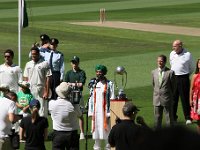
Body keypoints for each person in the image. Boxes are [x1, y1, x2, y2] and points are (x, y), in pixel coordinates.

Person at [49, 82, 83, 150]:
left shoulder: (52, 104)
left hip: (58, 134)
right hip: (72, 134)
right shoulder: (74, 105)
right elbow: (80, 115)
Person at [88, 64, 115, 150]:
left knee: (107, 132)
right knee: (96, 133)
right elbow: (91, 99)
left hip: (105, 112)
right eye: (97, 72)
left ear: (104, 73)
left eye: (100, 72)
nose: (98, 73)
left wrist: (108, 113)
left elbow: (112, 98)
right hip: (96, 112)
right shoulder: (94, 84)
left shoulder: (110, 84)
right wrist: (91, 112)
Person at [169, 39, 195, 125]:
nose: (173, 48)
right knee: (173, 99)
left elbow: (192, 67)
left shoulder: (188, 54)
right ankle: (173, 117)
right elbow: (171, 64)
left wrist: (186, 75)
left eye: (175, 46)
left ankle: (188, 117)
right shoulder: (172, 54)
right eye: (173, 46)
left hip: (184, 77)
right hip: (174, 78)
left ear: (180, 46)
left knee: (185, 98)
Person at [24, 46, 52, 117]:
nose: (33, 55)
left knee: (42, 112)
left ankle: (42, 127)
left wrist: (47, 92)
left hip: (41, 90)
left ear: (38, 54)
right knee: (31, 111)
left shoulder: (45, 63)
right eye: (32, 54)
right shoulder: (28, 64)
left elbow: (48, 78)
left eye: (35, 54)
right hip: (30, 90)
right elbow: (25, 78)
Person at [64, 56, 86, 139]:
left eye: (75, 62)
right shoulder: (69, 73)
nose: (74, 64)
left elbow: (81, 84)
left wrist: (72, 84)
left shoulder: (81, 72)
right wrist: (74, 84)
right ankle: (70, 131)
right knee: (69, 113)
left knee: (80, 114)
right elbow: (65, 83)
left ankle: (82, 133)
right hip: (70, 95)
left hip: (78, 94)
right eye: (73, 62)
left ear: (78, 63)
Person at [151, 55, 175, 129]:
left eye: (161, 61)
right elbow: (153, 85)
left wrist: (169, 95)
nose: (159, 62)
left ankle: (170, 136)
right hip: (157, 99)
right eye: (158, 61)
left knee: (169, 119)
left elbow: (173, 87)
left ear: (165, 62)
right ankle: (157, 135)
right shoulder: (153, 72)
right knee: (157, 118)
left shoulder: (170, 72)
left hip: (167, 98)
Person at [190, 59, 200, 133]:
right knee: (198, 119)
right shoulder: (195, 76)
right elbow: (191, 89)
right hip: (196, 99)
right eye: (199, 63)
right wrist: (190, 100)